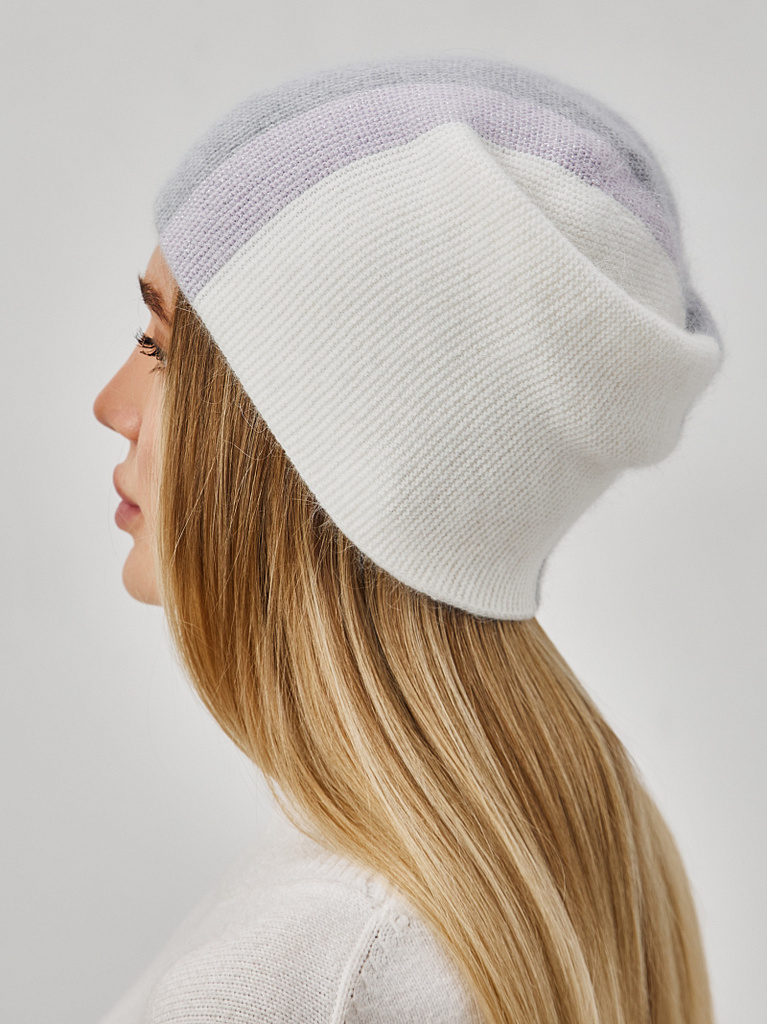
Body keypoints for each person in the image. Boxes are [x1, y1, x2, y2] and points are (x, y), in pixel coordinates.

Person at [93, 55, 722, 1024]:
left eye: (160, 348)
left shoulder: (301, 966)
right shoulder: (571, 854)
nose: (112, 403)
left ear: (317, 444)